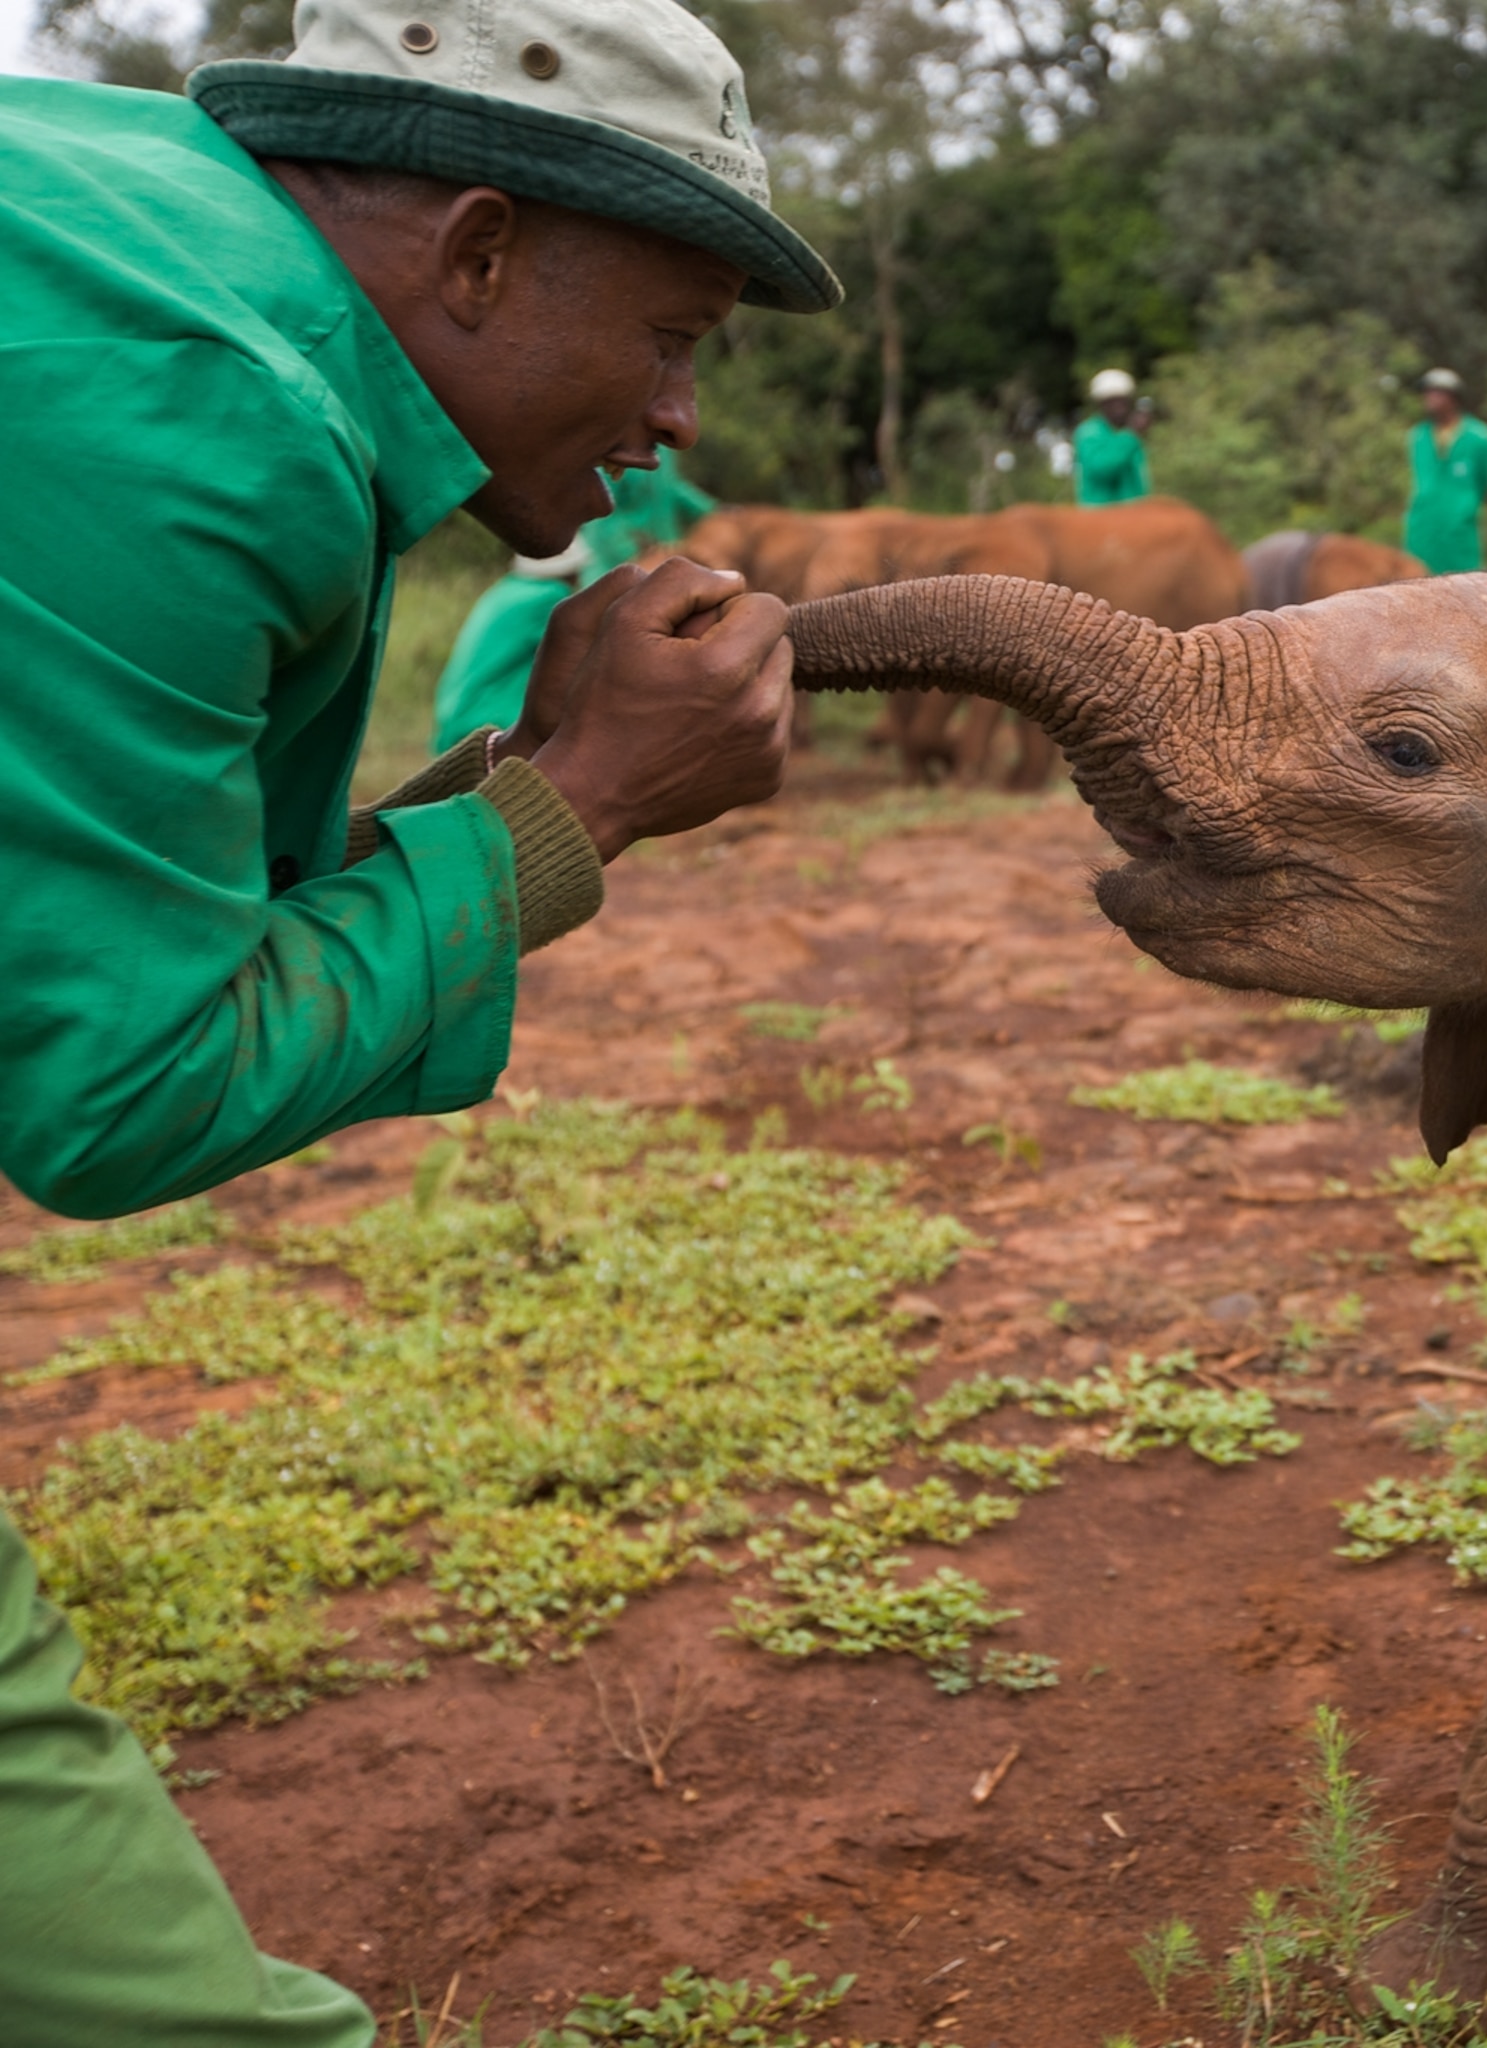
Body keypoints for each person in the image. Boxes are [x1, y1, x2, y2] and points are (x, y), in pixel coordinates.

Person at [0, 0, 838, 2037]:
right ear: (472, 250)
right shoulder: (211, 395)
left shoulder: (125, 226)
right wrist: (595, 797)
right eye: (671, 338)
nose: (678, 422)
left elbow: (159, 906)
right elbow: (119, 1079)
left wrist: (532, 776)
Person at [433, 461, 716, 749]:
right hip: (483, 723)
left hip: (454, 718)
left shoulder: (509, 590)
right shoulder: (548, 597)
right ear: (573, 570)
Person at [1402, 367, 1487, 574]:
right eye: (1427, 393)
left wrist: (1463, 508)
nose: (1430, 398)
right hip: (1422, 528)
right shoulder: (1417, 437)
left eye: (1437, 392)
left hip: (1459, 531)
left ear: (1453, 397)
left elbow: (1485, 484)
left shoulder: (1479, 438)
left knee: (1464, 590)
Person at [1073, 368, 1151, 505]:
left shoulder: (1126, 432)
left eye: (1122, 401)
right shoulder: (1089, 432)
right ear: (1101, 404)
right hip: (1100, 516)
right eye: (1111, 402)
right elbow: (1102, 468)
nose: (1119, 407)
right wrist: (1130, 436)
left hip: (1133, 515)